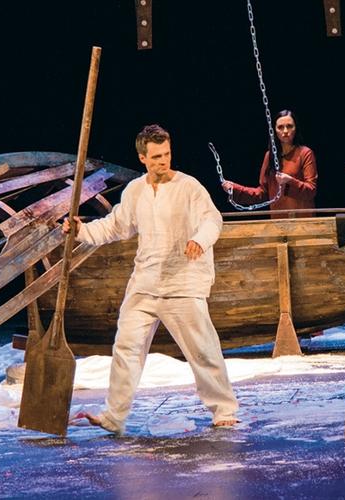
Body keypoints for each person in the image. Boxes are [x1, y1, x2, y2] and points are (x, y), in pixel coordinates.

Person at [63, 124, 239, 434]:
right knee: (126, 348)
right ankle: (114, 416)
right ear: (142, 157)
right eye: (156, 157)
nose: (164, 161)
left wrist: (200, 239)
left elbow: (212, 219)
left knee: (202, 349)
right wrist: (81, 230)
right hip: (145, 283)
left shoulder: (189, 187)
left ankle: (223, 409)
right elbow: (114, 227)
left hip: (182, 282)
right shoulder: (135, 191)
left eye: (167, 154)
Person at [221, 109, 318, 218]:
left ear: (296, 128)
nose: (285, 131)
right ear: (275, 131)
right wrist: (235, 189)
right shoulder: (270, 156)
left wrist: (290, 181)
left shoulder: (305, 153)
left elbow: (311, 191)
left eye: (289, 126)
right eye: (280, 127)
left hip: (302, 220)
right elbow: (263, 193)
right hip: (278, 221)